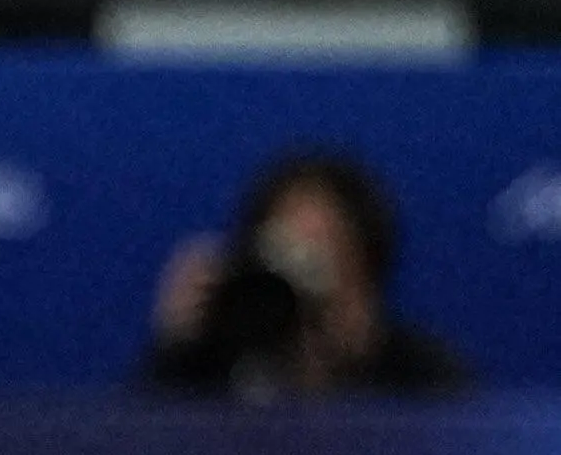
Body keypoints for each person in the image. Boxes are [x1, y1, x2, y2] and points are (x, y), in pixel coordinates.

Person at [145, 149, 471, 398]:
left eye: (324, 252)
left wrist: (345, 363)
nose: (303, 276)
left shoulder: (421, 382)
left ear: (366, 272)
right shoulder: (207, 375)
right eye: (283, 250)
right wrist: (175, 350)